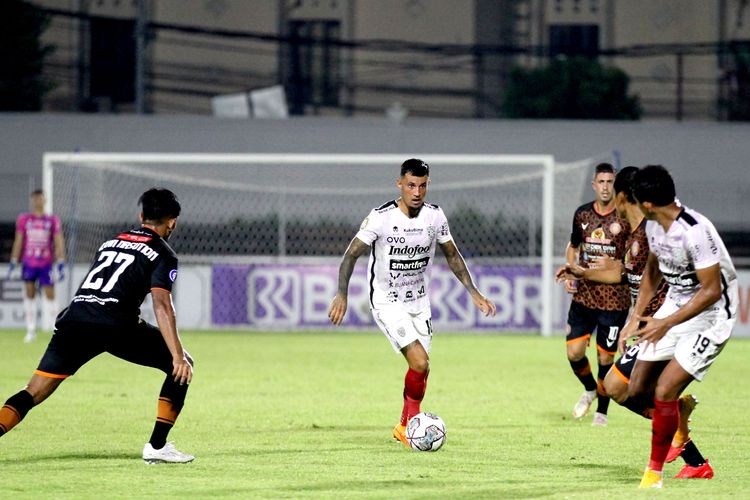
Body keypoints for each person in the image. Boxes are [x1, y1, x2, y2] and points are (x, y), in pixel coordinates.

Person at [0, 188, 195, 464]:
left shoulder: (110, 242)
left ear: (141, 216)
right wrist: (177, 355)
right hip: (116, 324)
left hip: (76, 320)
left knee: (33, 391)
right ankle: (157, 446)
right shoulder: (163, 253)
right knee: (183, 365)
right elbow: (162, 305)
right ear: (172, 221)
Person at [327, 158, 496, 446]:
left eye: (422, 186)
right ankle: (411, 428)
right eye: (411, 185)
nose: (416, 192)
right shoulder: (381, 217)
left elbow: (452, 255)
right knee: (418, 361)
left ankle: (404, 426)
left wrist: (474, 291)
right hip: (387, 301)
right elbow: (351, 254)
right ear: (400, 184)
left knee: (423, 367)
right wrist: (341, 293)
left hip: (420, 302)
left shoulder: (435, 216)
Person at [557, 166, 711, 479]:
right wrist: (583, 273)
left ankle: (675, 435)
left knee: (623, 388)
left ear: (626, 198)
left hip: (658, 325)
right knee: (621, 388)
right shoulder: (635, 234)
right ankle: (696, 462)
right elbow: (621, 275)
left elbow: (670, 276)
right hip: (644, 325)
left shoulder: (654, 235)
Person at [621, 165, 737, 489]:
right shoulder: (655, 226)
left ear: (646, 204)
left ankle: (653, 475)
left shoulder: (695, 230)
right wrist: (636, 317)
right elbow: (652, 273)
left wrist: (664, 323)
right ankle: (679, 417)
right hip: (675, 305)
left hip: (712, 316)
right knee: (636, 389)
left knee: (664, 389)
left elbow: (711, 290)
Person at [560, 163, 631, 426]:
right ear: (593, 185)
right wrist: (571, 269)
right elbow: (573, 246)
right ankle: (590, 388)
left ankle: (602, 412)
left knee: (605, 357)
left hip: (614, 301)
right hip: (585, 297)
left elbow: (631, 261)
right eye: (601, 182)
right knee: (574, 353)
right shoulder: (582, 215)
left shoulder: (624, 219)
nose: (605, 186)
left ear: (615, 185)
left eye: (610, 182)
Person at [7, 190, 66, 343]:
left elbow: (58, 241)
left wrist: (60, 261)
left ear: (45, 200)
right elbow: (19, 240)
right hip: (29, 263)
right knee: (29, 294)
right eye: (35, 198)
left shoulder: (52, 220)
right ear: (32, 200)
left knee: (50, 294)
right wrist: (14, 259)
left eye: (41, 198)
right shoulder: (25, 219)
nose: (38, 201)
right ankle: (31, 329)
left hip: (46, 263)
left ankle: (56, 329)